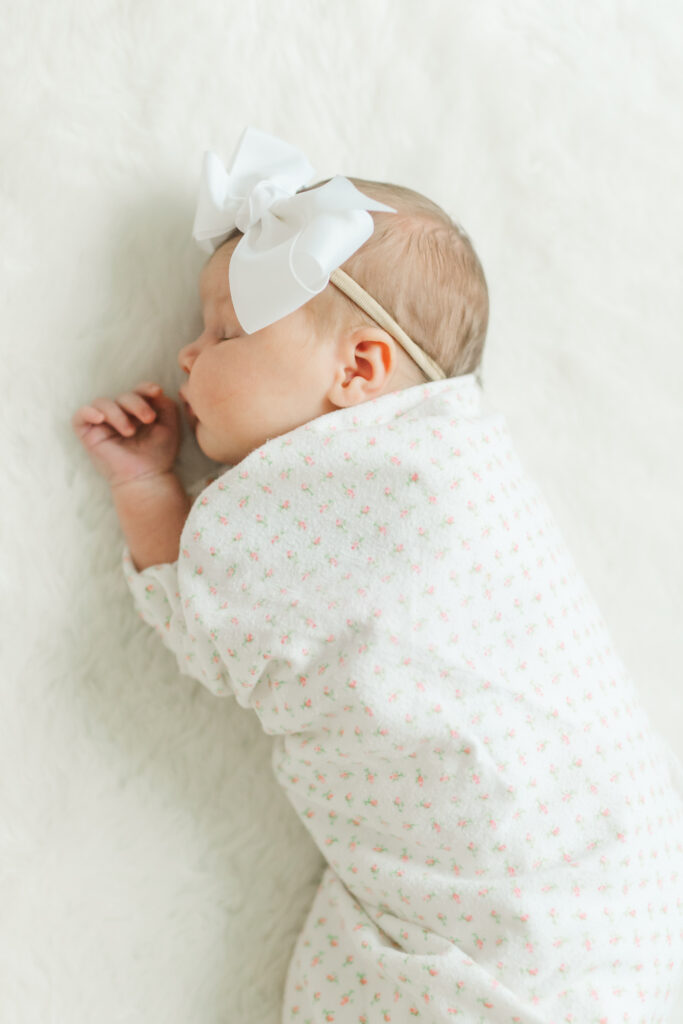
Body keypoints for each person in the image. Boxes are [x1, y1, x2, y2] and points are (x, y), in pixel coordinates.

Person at [72, 127, 683, 1022]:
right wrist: (150, 483)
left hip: (566, 863)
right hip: (584, 897)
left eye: (227, 331)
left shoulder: (437, 478)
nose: (188, 355)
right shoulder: (409, 476)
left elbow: (199, 628)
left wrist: (148, 488)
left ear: (359, 368)